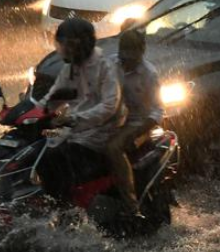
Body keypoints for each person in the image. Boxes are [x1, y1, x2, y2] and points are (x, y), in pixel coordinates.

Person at [37, 18, 123, 203]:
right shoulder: (69, 68)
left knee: (59, 157)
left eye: (69, 45)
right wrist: (29, 113)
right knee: (38, 152)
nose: (65, 50)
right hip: (74, 127)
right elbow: (52, 97)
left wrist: (75, 119)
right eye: (62, 45)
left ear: (83, 45)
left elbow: (109, 106)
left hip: (101, 130)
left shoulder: (104, 67)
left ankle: (69, 204)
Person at [105, 28, 163, 215]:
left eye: (131, 58)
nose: (127, 63)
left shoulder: (149, 74)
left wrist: (136, 132)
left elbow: (157, 111)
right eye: (124, 58)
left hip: (137, 124)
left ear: (140, 53)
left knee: (114, 148)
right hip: (111, 118)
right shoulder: (110, 63)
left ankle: (131, 205)